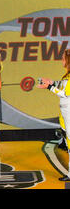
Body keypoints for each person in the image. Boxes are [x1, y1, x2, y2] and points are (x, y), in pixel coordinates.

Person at [37, 49, 70, 181]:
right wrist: (52, 83)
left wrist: (49, 87)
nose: (61, 60)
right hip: (65, 112)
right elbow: (63, 86)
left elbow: (65, 93)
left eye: (63, 58)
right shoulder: (66, 76)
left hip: (68, 112)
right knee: (68, 143)